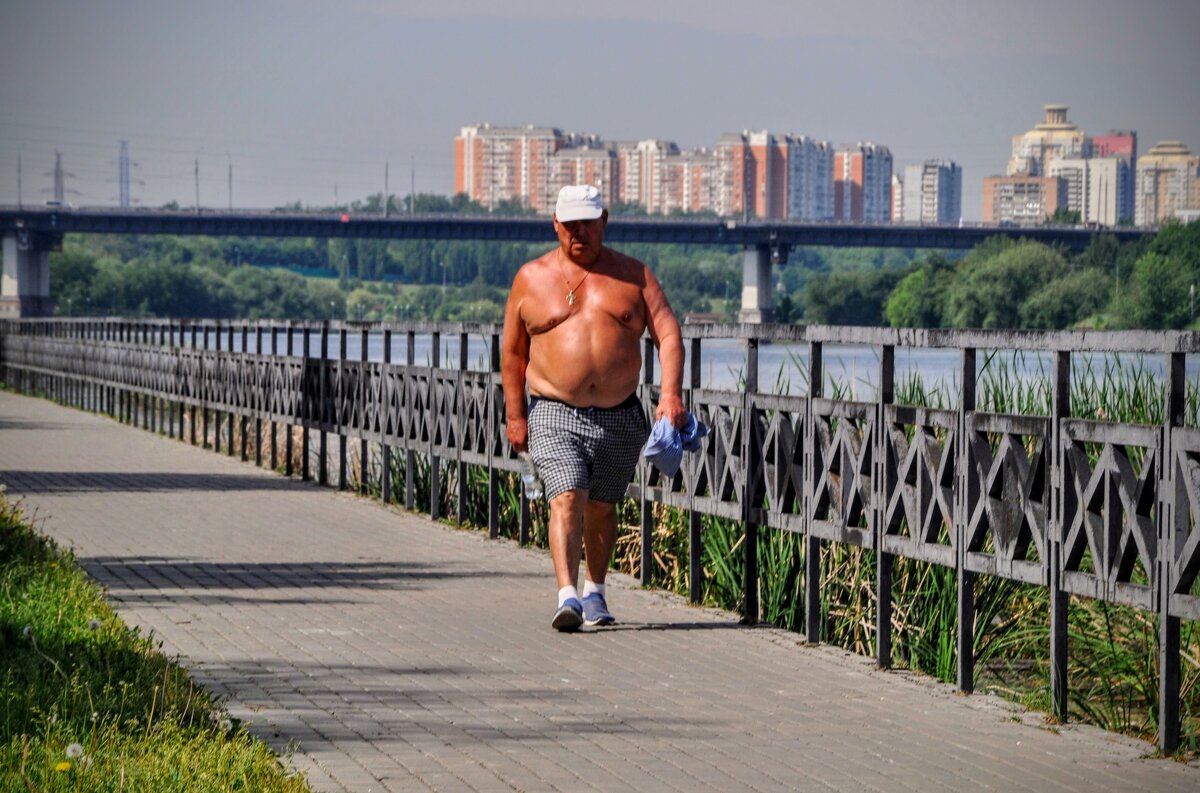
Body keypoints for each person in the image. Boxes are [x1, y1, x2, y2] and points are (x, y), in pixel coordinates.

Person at [502, 184, 686, 632]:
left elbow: (668, 335)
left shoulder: (634, 275)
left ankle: (596, 594)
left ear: (604, 220)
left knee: (602, 505)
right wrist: (515, 414)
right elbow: (512, 353)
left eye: (587, 222)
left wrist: (670, 394)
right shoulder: (531, 278)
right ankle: (568, 597)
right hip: (553, 409)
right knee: (567, 494)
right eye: (569, 224)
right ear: (555, 224)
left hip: (619, 413)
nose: (578, 232)